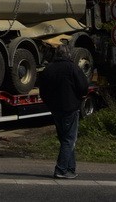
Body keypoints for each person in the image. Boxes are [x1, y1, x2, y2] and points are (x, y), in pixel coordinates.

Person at [37, 43, 89, 179]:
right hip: (70, 107)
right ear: (68, 54)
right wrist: (81, 96)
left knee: (65, 139)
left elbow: (42, 91)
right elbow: (83, 86)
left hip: (55, 108)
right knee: (69, 139)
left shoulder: (48, 69)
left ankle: (70, 168)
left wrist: (49, 103)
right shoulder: (72, 68)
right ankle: (61, 169)